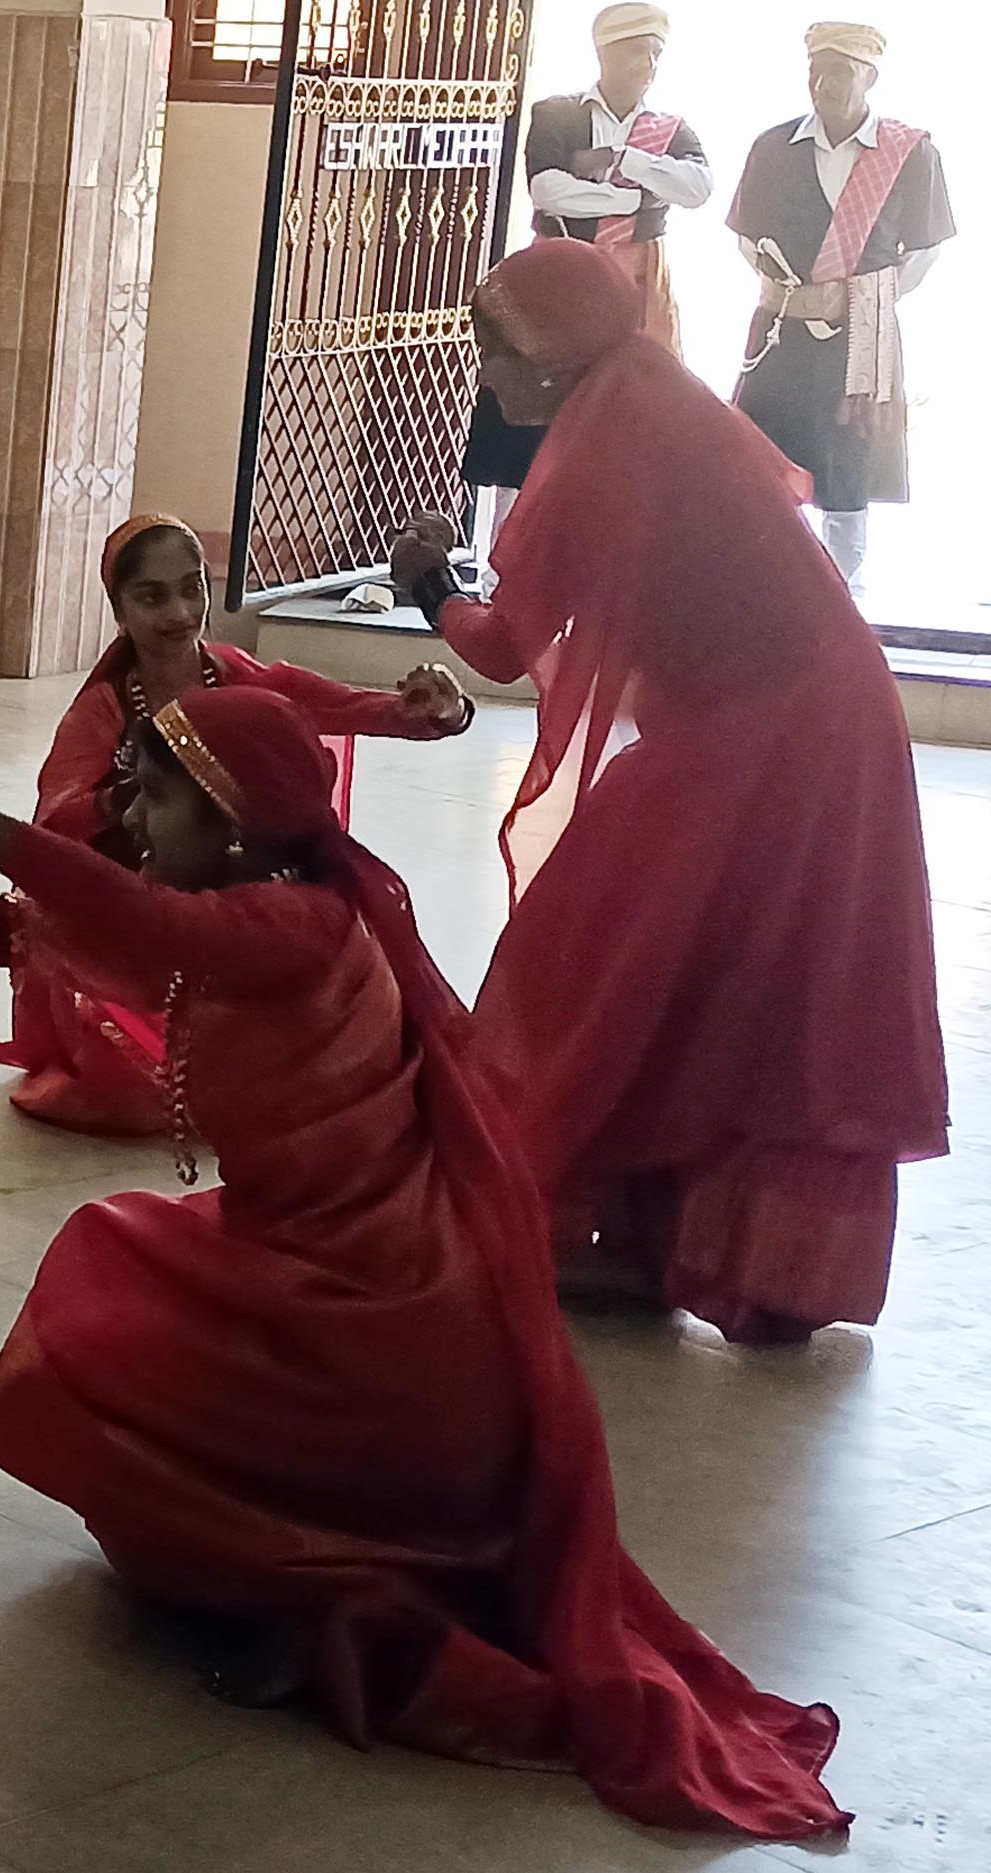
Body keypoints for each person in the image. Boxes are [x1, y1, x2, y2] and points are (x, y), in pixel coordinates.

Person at [0, 682, 847, 1840]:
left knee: (111, 1284)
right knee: (122, 1264)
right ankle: (275, 1566)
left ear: (233, 815)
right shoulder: (228, 901)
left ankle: (310, 1580)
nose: (132, 814)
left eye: (157, 794)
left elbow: (141, 925)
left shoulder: (295, 923)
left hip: (382, 1320)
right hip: (314, 1273)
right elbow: (11, 931)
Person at [386, 237, 945, 1345]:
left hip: (769, 729)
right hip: (809, 713)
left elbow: (505, 647)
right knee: (750, 968)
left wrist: (427, 587)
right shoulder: (649, 392)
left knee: (601, 958)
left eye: (498, 353)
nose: (489, 375)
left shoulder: (607, 433)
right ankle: (698, 1249)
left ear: (550, 352)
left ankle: (615, 1228)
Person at [0, 513, 469, 1136]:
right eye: (153, 598)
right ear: (120, 611)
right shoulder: (103, 709)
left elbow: (366, 709)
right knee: (58, 967)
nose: (180, 614)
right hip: (134, 898)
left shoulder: (239, 685)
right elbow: (55, 833)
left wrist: (443, 707)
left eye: (191, 590)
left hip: (208, 907)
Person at [464, 5, 710, 551]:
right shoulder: (557, 114)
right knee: (529, 419)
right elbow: (549, 189)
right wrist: (634, 196)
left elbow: (697, 189)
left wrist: (625, 158)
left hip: (635, 289)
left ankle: (609, 553)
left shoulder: (669, 129)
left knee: (629, 420)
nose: (646, 64)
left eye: (654, 53)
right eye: (635, 51)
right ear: (604, 54)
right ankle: (505, 554)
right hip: (555, 290)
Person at [727, 21, 957, 597]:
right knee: (765, 458)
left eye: (840, 72)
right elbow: (747, 238)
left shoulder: (911, 153)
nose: (823, 84)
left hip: (863, 337)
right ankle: (770, 588)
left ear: (870, 79)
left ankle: (843, 597)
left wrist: (865, 297)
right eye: (816, 70)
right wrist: (787, 292)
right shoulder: (773, 147)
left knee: (847, 463)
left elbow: (926, 250)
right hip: (784, 330)